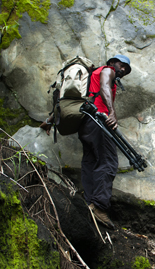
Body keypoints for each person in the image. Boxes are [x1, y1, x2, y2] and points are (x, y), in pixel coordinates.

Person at [40, 55, 132, 229]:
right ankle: (99, 207)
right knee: (108, 162)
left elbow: (71, 100)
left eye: (126, 70)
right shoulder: (107, 71)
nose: (123, 70)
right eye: (122, 66)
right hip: (99, 120)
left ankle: (90, 203)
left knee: (90, 162)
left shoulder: (91, 77)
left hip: (85, 123)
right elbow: (105, 86)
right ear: (112, 62)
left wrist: (50, 120)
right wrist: (111, 113)